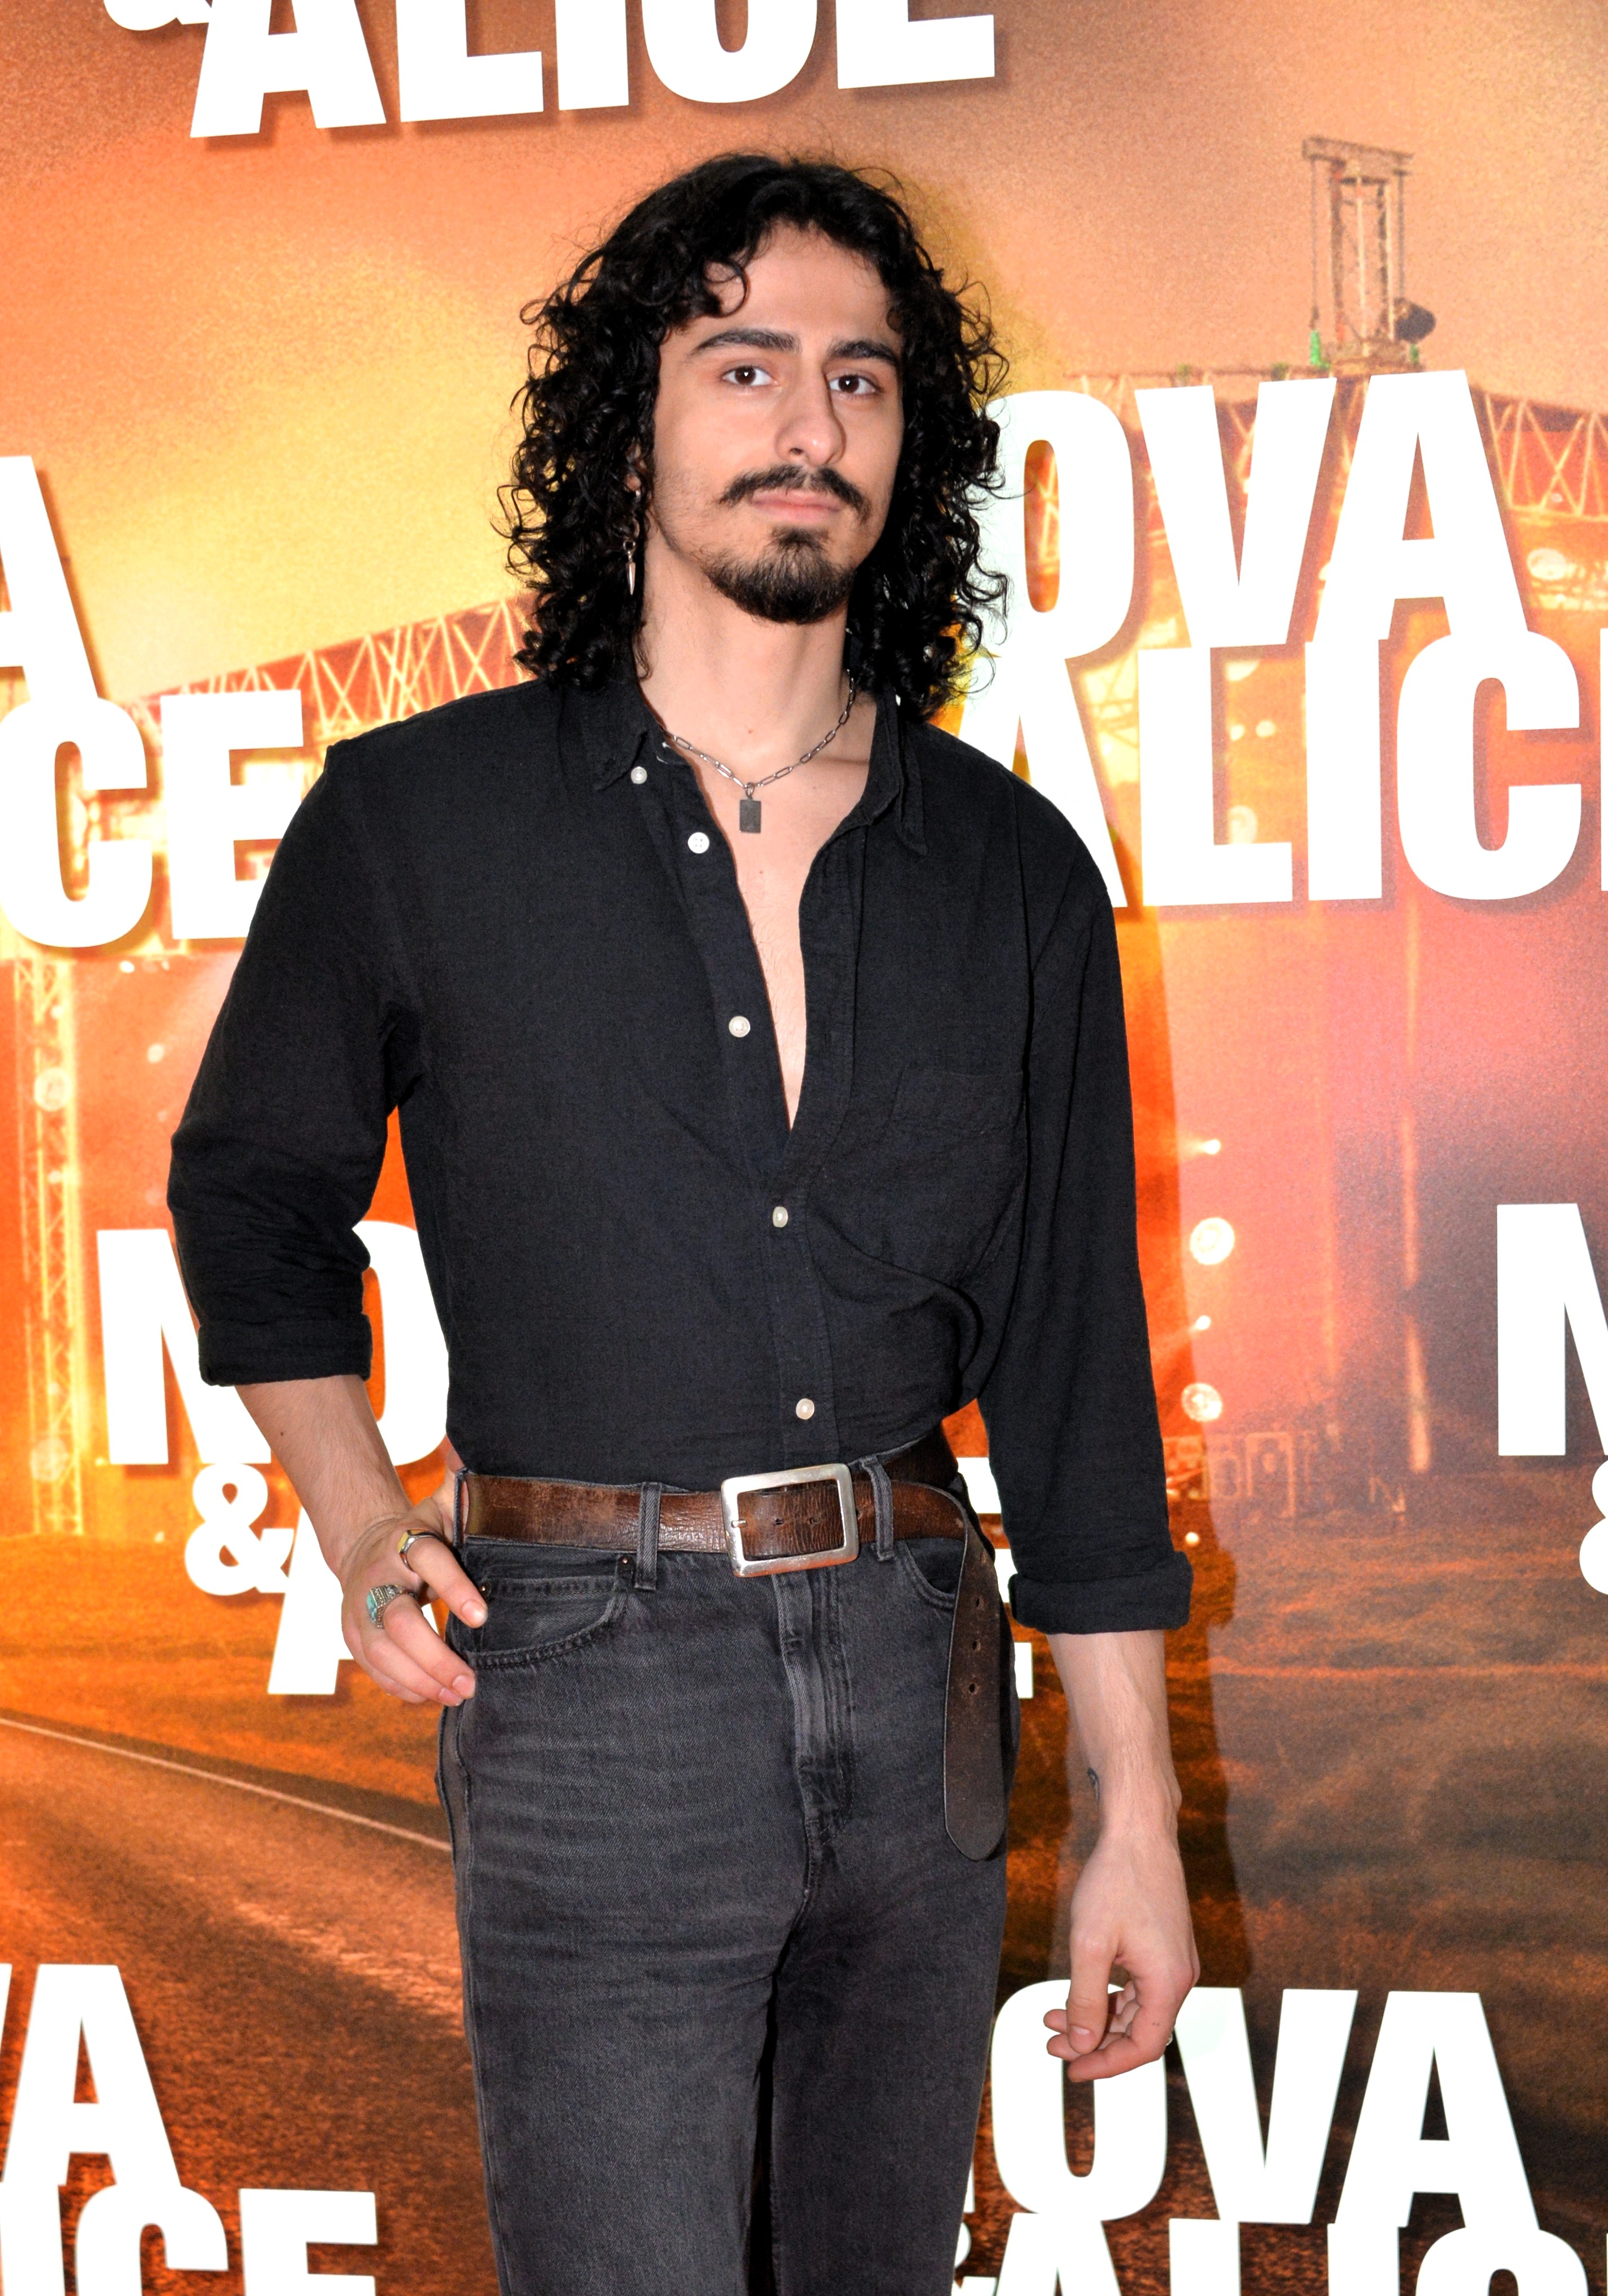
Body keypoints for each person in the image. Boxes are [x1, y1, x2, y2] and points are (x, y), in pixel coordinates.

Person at [170, 152, 1197, 2296]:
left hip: (918, 1681)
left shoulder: (1010, 873)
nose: (807, 423)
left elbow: (1076, 1375)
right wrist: (357, 1518)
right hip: (588, 1686)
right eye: (743, 366)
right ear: (626, 424)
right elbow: (251, 1196)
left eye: (859, 378)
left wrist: (1134, 1820)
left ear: (908, 445)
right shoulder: (417, 819)